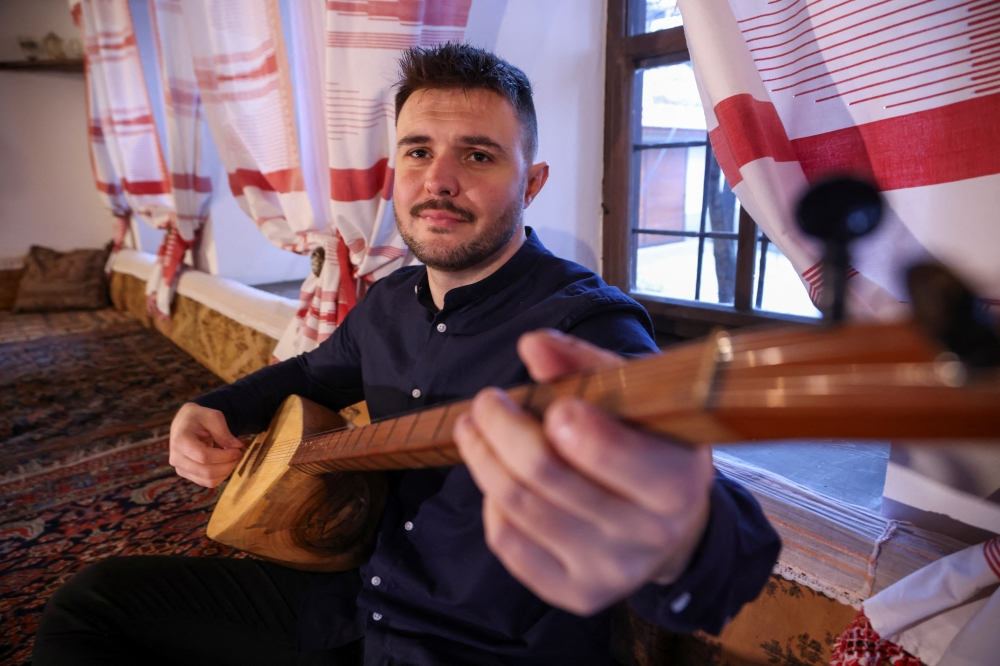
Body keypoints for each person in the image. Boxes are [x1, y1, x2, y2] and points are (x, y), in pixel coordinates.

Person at [34, 44, 779, 665]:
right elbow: (310, 372)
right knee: (89, 605)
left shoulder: (589, 327)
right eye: (418, 150)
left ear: (533, 181)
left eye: (478, 155)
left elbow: (703, 530)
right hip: (356, 607)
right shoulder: (391, 299)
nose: (439, 180)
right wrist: (209, 408)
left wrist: (684, 530)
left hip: (484, 648)